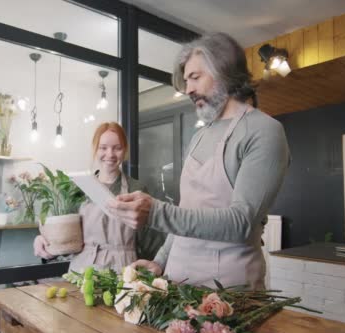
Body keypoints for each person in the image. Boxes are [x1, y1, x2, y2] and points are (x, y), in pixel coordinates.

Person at [108, 32, 291, 290]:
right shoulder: (198, 136)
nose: (188, 89)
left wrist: (157, 213)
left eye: (195, 77)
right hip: (177, 279)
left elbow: (242, 223)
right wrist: (160, 261)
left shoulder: (264, 131)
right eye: (186, 81)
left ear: (224, 71)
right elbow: (188, 209)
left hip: (228, 291)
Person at [33, 122, 166, 272]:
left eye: (117, 148)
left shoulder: (137, 189)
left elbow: (151, 242)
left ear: (125, 151)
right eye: (103, 148)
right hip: (82, 273)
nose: (110, 154)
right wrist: (44, 243)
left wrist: (156, 269)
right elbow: (66, 239)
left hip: (122, 273)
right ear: (95, 150)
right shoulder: (79, 189)